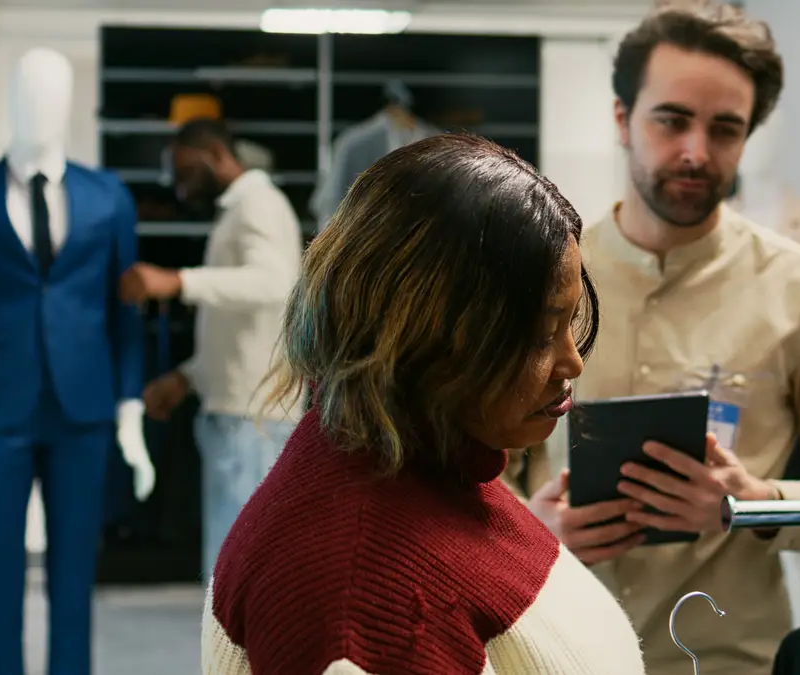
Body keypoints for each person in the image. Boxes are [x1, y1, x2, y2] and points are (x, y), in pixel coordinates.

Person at [504, 4, 800, 674]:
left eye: (726, 129)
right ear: (622, 118)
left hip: (729, 661)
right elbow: (471, 464)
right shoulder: (533, 280)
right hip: (550, 650)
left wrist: (757, 501)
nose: (696, 151)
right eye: (671, 120)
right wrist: (523, 533)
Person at [200, 134, 647, 675]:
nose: (572, 362)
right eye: (538, 335)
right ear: (423, 337)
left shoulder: (427, 461)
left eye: (568, 323)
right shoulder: (365, 601)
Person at [119, 118, 304, 581]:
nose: (178, 187)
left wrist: (177, 281)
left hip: (254, 420)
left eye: (184, 172)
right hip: (240, 414)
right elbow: (238, 328)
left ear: (215, 156)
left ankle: (243, 657)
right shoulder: (237, 210)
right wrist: (188, 378)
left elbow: (274, 283)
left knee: (243, 575)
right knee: (231, 572)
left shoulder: (257, 205)